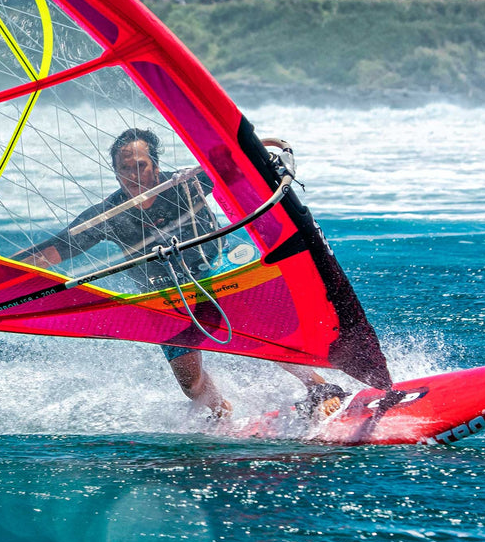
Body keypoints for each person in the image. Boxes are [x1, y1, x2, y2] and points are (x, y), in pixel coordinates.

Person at [27, 128, 344, 422]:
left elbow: (230, 164)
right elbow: (59, 249)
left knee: (263, 335)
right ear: (115, 170)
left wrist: (262, 147)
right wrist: (0, 276)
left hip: (217, 275)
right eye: (125, 168)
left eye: (140, 166)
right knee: (189, 383)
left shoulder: (186, 184)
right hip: (167, 297)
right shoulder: (107, 214)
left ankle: (320, 388)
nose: (133, 175)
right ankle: (221, 411)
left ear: (154, 164)